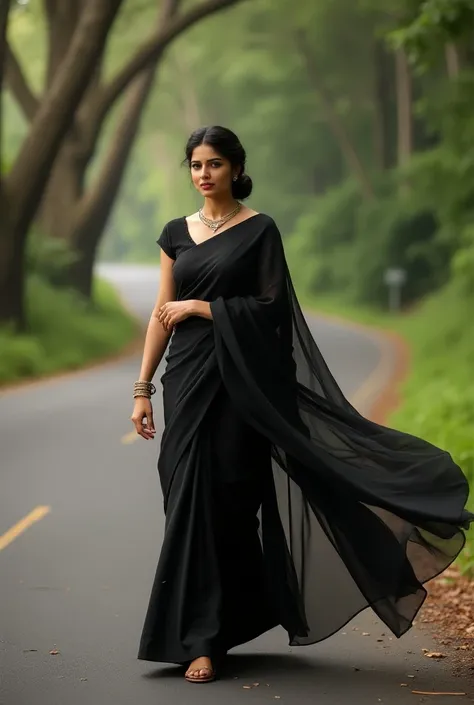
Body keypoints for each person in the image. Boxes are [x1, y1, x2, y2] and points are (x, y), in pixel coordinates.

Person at [131, 125, 473, 684]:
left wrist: (205, 308)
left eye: (215, 163)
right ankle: (208, 626)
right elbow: (160, 313)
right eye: (196, 165)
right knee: (184, 501)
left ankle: (204, 640)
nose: (204, 174)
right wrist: (143, 388)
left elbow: (270, 310)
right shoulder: (174, 233)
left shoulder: (259, 230)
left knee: (228, 506)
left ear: (236, 168)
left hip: (242, 388)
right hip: (187, 384)